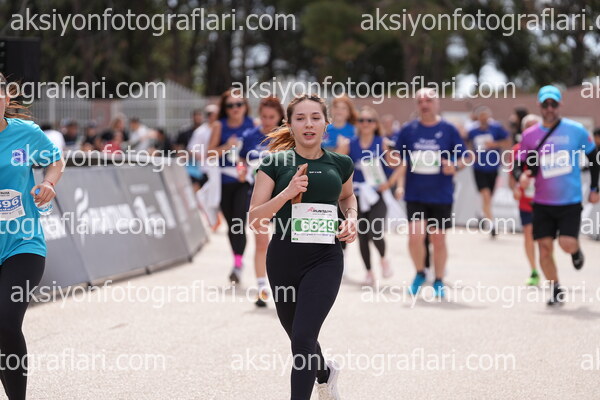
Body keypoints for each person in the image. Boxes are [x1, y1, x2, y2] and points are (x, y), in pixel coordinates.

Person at [249, 94, 356, 400]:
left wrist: (351, 218)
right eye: (300, 118)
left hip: (325, 259)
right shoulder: (274, 163)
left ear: (326, 123)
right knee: (300, 339)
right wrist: (286, 193)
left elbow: (347, 197)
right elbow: (254, 218)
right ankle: (324, 374)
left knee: (305, 336)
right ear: (290, 124)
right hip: (283, 259)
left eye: (315, 117)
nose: (308, 124)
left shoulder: (341, 163)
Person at [0, 72, 64, 400]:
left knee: (6, 322)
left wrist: (49, 183)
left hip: (22, 244)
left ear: (6, 98)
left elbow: (56, 160)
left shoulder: (25, 134)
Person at [514, 85, 599, 306]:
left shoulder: (576, 130)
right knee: (544, 248)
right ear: (539, 106)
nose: (549, 108)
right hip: (542, 202)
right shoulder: (529, 135)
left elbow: (594, 158)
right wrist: (520, 177)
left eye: (553, 104)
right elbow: (518, 163)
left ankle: (576, 250)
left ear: (560, 104)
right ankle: (555, 288)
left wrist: (595, 188)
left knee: (566, 243)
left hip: (569, 201)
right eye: (545, 104)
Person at [394, 88, 469, 298]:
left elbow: (466, 157)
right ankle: (420, 273)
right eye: (420, 101)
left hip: (441, 195)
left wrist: (454, 166)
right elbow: (398, 160)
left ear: (437, 103)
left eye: (428, 100)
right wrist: (391, 164)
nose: (424, 104)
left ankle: (439, 280)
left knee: (438, 239)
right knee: (415, 237)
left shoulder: (448, 129)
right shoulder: (408, 130)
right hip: (415, 194)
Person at [339, 106, 393, 285]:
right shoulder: (350, 143)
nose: (365, 124)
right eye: (361, 120)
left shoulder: (382, 142)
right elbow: (333, 161)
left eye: (369, 120)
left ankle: (383, 258)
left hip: (377, 195)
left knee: (375, 231)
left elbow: (401, 165)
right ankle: (369, 272)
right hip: (357, 195)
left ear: (375, 124)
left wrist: (390, 184)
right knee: (362, 234)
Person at [240, 96, 284, 307]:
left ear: (280, 117)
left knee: (285, 242)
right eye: (264, 116)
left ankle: (285, 286)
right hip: (257, 195)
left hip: (284, 196)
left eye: (271, 117)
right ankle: (261, 288)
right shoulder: (250, 135)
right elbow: (241, 159)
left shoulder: (287, 136)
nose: (267, 121)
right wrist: (241, 169)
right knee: (261, 242)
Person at [208, 89, 255, 284]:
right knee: (231, 225)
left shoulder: (253, 124)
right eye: (230, 105)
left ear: (245, 106)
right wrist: (227, 146)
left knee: (238, 221)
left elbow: (258, 151)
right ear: (225, 108)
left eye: (239, 104)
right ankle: (237, 260)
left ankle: (238, 264)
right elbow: (210, 153)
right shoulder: (219, 125)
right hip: (224, 181)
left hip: (244, 181)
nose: (235, 108)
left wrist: (246, 163)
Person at [509, 114, 543, 286]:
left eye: (535, 126)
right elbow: (512, 174)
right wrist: (515, 188)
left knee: (544, 237)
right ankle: (534, 270)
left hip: (546, 199)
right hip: (526, 199)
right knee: (529, 234)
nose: (532, 129)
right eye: (528, 126)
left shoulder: (549, 147)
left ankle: (548, 268)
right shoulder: (517, 149)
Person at [467, 106, 510, 237]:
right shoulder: (473, 131)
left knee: (489, 196)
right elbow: (466, 143)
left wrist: (494, 144)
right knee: (485, 195)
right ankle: (492, 224)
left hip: (493, 166)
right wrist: (470, 154)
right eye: (481, 117)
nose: (484, 119)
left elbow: (507, 142)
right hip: (479, 167)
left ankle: (482, 214)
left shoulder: (496, 128)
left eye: (486, 116)